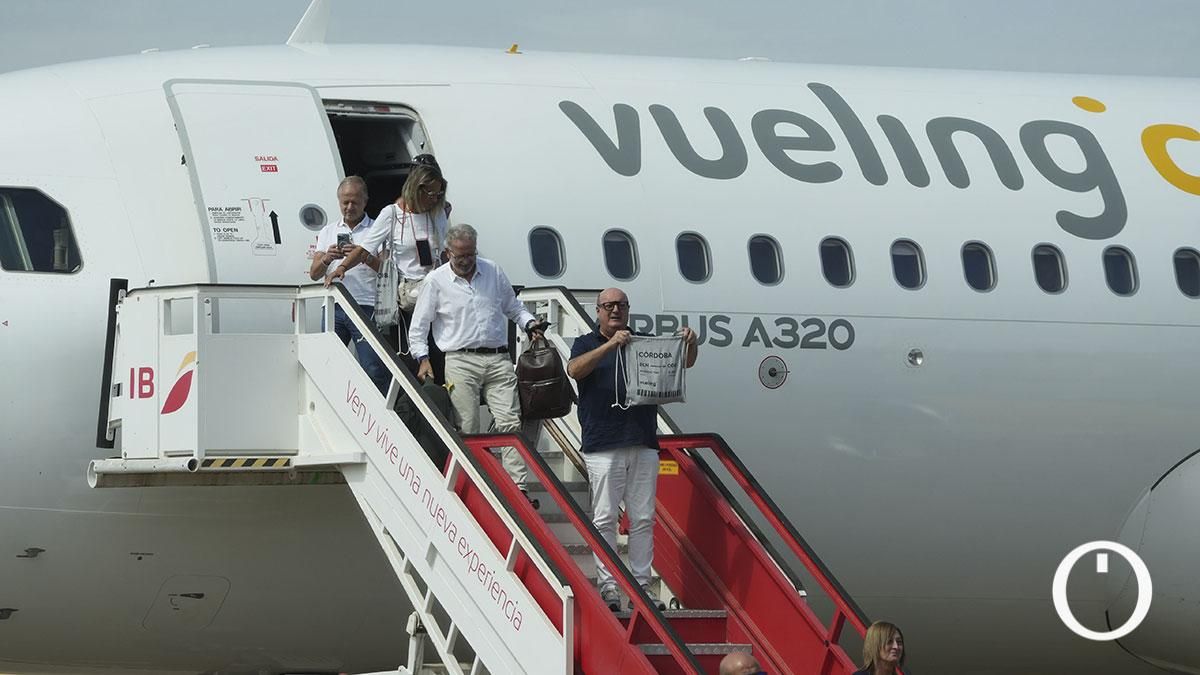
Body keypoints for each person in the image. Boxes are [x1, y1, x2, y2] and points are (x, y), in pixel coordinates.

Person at [567, 288, 698, 611]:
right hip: (602, 444)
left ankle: (642, 588)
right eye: (609, 306)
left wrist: (691, 343)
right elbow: (574, 370)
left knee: (642, 518)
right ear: (598, 311)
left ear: (628, 309)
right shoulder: (586, 343)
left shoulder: (644, 342)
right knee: (605, 518)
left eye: (621, 305)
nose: (615, 310)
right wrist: (610, 345)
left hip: (641, 440)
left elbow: (683, 362)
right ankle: (609, 586)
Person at [408, 223, 545, 499]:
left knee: (510, 422)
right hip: (460, 360)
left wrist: (530, 324)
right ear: (448, 253)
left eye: (471, 254)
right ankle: (473, 480)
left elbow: (513, 307)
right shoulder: (436, 281)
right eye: (460, 256)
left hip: (498, 358)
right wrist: (423, 358)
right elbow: (418, 327)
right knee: (468, 425)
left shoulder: (492, 271)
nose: (466, 261)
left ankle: (518, 486)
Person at [332, 164, 450, 378]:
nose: (434, 199)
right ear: (416, 189)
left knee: (438, 354)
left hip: (435, 293)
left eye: (438, 194)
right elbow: (365, 248)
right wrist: (342, 267)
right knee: (409, 359)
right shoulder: (392, 214)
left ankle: (437, 395)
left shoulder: (437, 213)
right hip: (406, 297)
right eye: (430, 193)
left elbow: (443, 252)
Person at [310, 176, 389, 393]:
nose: (349, 207)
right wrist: (327, 258)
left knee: (372, 367)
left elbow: (387, 271)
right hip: (333, 305)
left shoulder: (376, 230)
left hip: (366, 305)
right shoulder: (328, 231)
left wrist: (362, 255)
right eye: (345, 202)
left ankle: (378, 409)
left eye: (355, 202)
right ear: (338, 201)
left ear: (365, 201)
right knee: (329, 364)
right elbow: (314, 274)